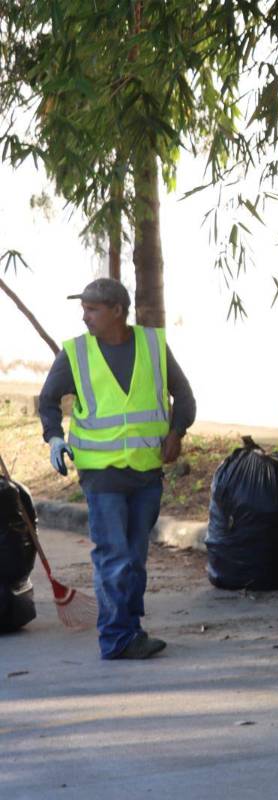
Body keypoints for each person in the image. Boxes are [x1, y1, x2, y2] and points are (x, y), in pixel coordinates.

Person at [38, 278, 196, 660]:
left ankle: (130, 627)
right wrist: (55, 438)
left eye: (92, 309)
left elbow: (185, 394)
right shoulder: (75, 352)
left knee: (134, 558)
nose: (85, 316)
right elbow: (47, 401)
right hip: (101, 472)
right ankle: (116, 637)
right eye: (84, 308)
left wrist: (177, 431)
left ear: (117, 312)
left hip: (145, 472)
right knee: (114, 555)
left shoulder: (153, 345)